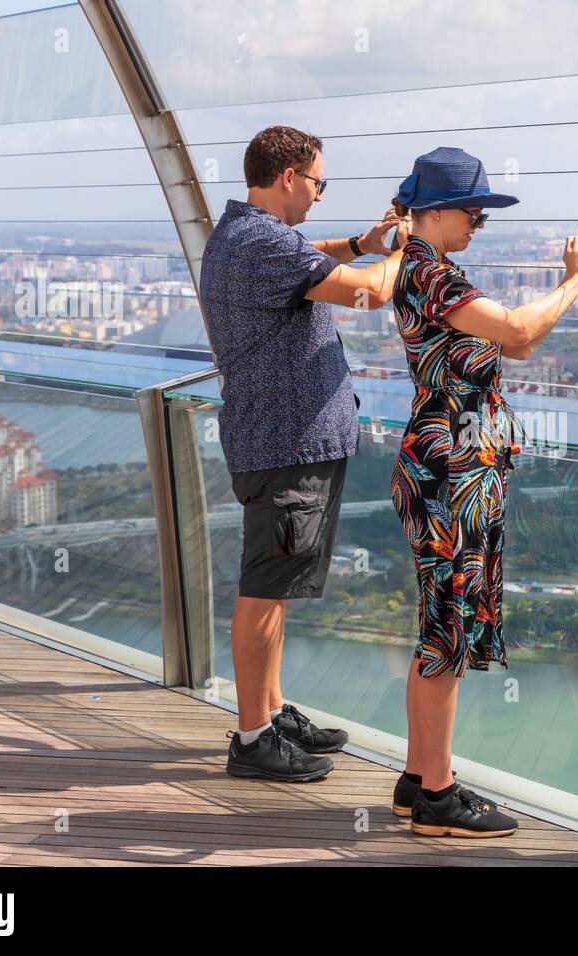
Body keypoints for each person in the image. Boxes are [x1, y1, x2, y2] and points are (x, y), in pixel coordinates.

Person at [386, 147, 578, 836]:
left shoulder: (435, 272)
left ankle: (420, 780)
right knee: (446, 633)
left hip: (454, 467)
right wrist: (577, 280)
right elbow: (520, 329)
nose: (478, 224)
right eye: (473, 213)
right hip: (451, 471)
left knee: (438, 626)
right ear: (436, 210)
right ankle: (439, 799)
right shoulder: (428, 274)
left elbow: (518, 346)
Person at [199, 126, 409, 783]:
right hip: (285, 443)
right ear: (288, 176)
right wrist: (410, 249)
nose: (320, 196)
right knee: (263, 589)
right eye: (318, 182)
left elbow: (308, 254)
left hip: (277, 437)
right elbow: (367, 292)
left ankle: (273, 708)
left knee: (276, 586)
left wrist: (360, 244)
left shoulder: (241, 234)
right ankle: (253, 738)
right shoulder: (261, 241)